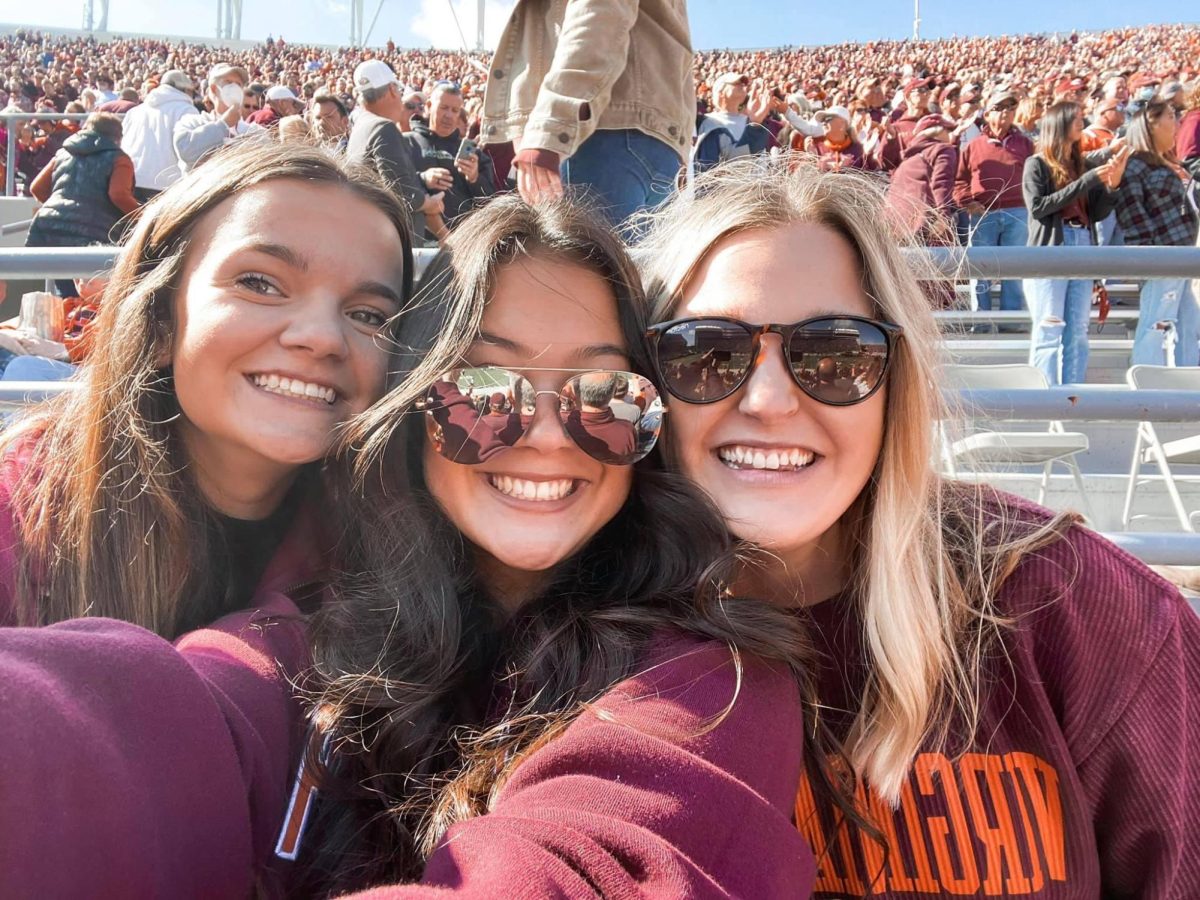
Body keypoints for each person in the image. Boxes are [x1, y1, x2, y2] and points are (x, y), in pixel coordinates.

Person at [640, 156, 1200, 896]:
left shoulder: (1077, 609)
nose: (770, 399)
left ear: (894, 382)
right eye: (707, 352)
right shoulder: (573, 636)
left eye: (835, 353)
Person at [286, 196, 843, 896]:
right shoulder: (304, 632)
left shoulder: (718, 685)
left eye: (603, 394)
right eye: (486, 390)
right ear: (416, 405)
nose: (548, 436)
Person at [0, 140, 414, 897]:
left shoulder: (399, 557)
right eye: (261, 282)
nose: (323, 336)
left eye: (368, 312)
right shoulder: (20, 510)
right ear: (159, 320)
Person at [481, 0, 695, 232]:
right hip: (650, 137)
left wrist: (552, 125)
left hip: (598, 134)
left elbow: (598, 18)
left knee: (591, 265)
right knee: (640, 266)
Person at [1022, 101, 1128, 384]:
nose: (1082, 122)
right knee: (1049, 327)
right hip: (1052, 248)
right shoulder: (1037, 164)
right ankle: (1045, 396)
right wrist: (1088, 180)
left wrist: (1111, 186)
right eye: (1076, 118)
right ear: (1060, 123)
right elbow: (1038, 207)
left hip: (1083, 240)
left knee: (1078, 330)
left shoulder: (1081, 165)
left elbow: (1097, 212)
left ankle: (1073, 395)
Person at [1115, 98, 1200, 367]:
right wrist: (1153, 256)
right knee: (1155, 325)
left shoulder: (1166, 163)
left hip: (1182, 257)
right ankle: (1147, 390)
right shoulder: (1136, 165)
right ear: (1152, 124)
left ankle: (1187, 386)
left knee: (1189, 328)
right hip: (1163, 258)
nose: (1177, 124)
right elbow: (1132, 216)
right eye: (1171, 117)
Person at [25, 112, 139, 298]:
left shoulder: (63, 153)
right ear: (117, 137)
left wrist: (60, 208)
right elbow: (118, 195)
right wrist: (145, 216)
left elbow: (36, 188)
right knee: (94, 296)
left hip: (49, 231)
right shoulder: (119, 159)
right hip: (93, 234)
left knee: (66, 292)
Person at [955, 89, 1034, 326]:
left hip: (1018, 212)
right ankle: (981, 320)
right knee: (980, 266)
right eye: (999, 108)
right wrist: (967, 201)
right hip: (984, 212)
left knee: (1014, 267)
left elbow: (1035, 176)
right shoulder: (973, 145)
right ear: (987, 114)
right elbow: (959, 180)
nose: (1006, 113)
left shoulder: (1025, 144)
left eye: (1010, 108)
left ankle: (1011, 320)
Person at [347, 59, 443, 245]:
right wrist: (430, 204)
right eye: (399, 92)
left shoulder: (362, 125)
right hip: (388, 243)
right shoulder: (383, 127)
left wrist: (421, 178)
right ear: (391, 89)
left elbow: (380, 178)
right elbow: (402, 193)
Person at [406, 82, 496, 235]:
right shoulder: (407, 142)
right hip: (418, 240)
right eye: (444, 108)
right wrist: (423, 179)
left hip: (462, 239)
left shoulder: (473, 153)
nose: (449, 115)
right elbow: (393, 187)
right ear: (428, 106)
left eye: (455, 110)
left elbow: (489, 202)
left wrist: (474, 178)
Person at [119, 69, 197, 200]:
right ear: (185, 89)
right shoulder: (186, 110)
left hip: (132, 179)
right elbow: (191, 149)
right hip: (167, 183)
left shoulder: (135, 111)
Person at [885, 113, 959, 248]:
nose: (950, 135)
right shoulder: (943, 150)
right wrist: (943, 215)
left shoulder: (908, 159)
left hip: (896, 226)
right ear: (937, 132)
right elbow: (941, 182)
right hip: (925, 225)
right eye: (948, 130)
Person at [173, 63, 258, 173]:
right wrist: (224, 124)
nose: (234, 88)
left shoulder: (253, 132)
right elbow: (186, 150)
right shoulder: (193, 122)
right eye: (228, 82)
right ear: (214, 89)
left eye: (238, 84)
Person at [694, 72, 774, 171]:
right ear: (720, 92)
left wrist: (756, 122)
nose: (742, 85)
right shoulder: (708, 123)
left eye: (743, 83)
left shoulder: (753, 122)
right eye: (736, 83)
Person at [804, 105, 872, 171]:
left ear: (842, 124)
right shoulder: (816, 146)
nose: (824, 123)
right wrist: (811, 157)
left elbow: (863, 177)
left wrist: (843, 168)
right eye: (823, 120)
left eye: (828, 119)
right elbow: (810, 176)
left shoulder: (857, 149)